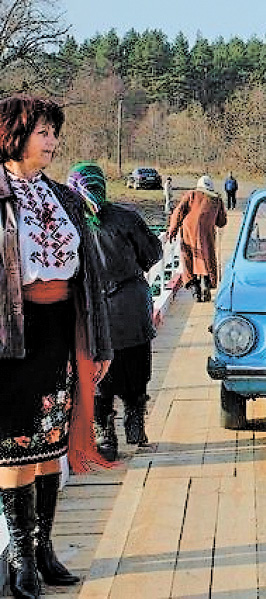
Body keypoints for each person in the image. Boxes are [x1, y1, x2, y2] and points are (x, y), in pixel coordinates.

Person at [0, 94, 113, 598]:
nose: (52, 141)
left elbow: (90, 277)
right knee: (14, 449)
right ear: (15, 134)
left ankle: (45, 549)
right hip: (12, 338)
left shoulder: (64, 197)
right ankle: (21, 559)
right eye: (43, 132)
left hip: (63, 331)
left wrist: (99, 342)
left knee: (50, 447)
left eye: (53, 133)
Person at [67, 162, 162, 459]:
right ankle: (135, 419)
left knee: (97, 372)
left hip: (90, 309)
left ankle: (105, 435)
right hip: (130, 304)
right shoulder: (126, 218)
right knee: (135, 365)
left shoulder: (68, 223)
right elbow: (152, 254)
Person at [166, 175, 227, 302]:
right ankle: (206, 283)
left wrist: (172, 229)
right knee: (207, 257)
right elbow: (222, 222)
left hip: (188, 230)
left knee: (188, 257)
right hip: (207, 232)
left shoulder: (191, 195)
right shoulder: (216, 199)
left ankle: (195, 289)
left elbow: (179, 212)